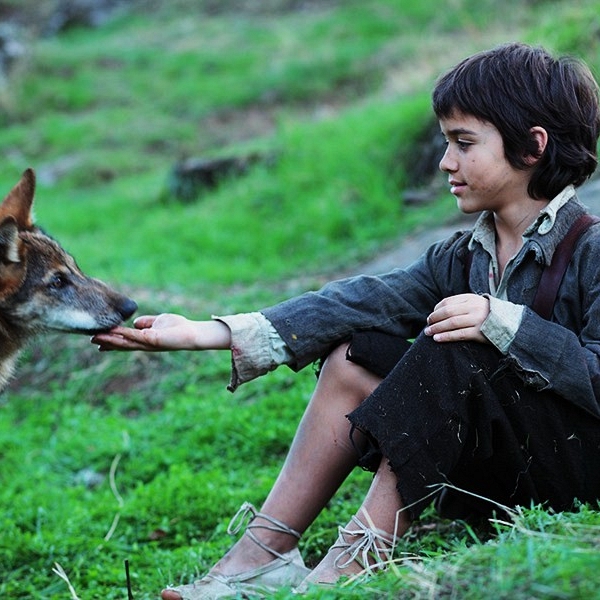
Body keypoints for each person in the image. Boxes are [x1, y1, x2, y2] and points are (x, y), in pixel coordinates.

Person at [93, 42, 600, 600]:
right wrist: (206, 333)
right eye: (444, 142)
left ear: (532, 146)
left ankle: (347, 569)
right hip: (500, 475)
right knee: (357, 350)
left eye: (463, 142)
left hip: (575, 477)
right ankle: (265, 555)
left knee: (454, 345)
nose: (445, 162)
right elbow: (359, 301)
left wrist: (503, 323)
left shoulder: (593, 249)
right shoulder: (459, 256)